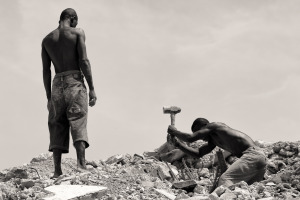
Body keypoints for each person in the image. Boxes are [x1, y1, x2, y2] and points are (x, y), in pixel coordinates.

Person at [41, 8, 97, 178]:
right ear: (72, 19)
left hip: (57, 83)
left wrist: (49, 97)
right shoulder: (77, 33)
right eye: (76, 21)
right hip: (74, 81)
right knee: (78, 120)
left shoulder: (47, 40)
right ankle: (81, 165)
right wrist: (92, 87)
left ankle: (57, 171)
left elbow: (46, 71)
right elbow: (84, 60)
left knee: (56, 124)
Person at [167, 118, 266, 187]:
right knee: (248, 189)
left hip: (252, 155)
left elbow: (190, 138)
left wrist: (174, 131)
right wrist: (178, 145)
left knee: (225, 179)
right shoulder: (213, 141)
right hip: (259, 161)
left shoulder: (215, 126)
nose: (200, 138)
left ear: (204, 126)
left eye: (199, 132)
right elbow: (198, 153)